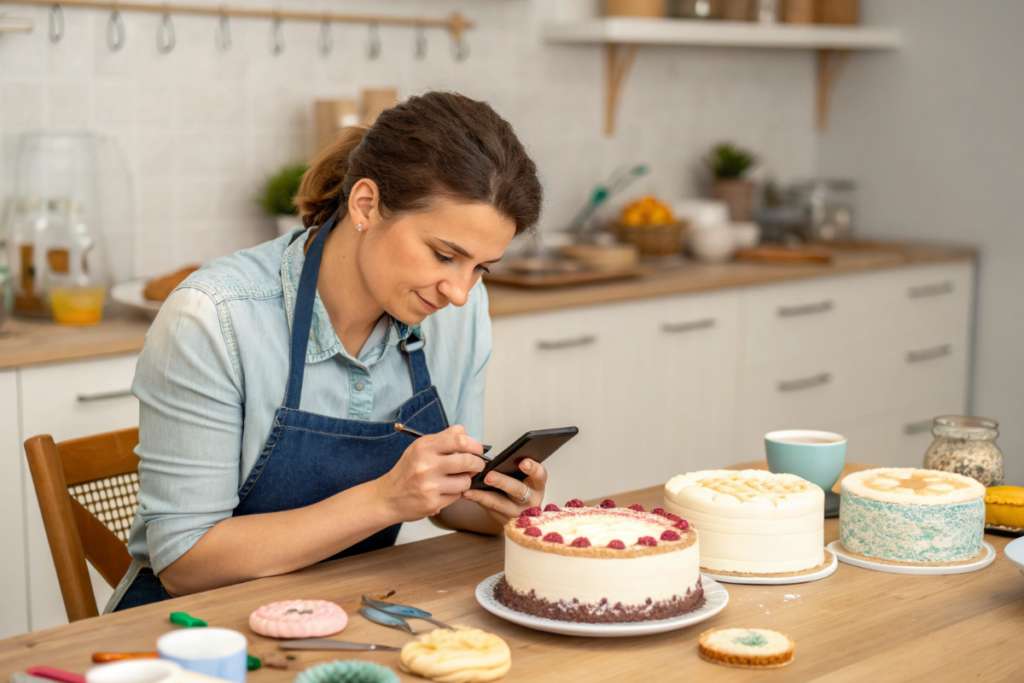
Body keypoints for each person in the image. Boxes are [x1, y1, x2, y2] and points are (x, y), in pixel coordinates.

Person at [107, 91, 546, 611]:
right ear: (366, 205)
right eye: (444, 255)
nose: (459, 292)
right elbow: (185, 565)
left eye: (480, 268)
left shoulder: (455, 312)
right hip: (192, 627)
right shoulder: (213, 318)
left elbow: (448, 504)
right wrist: (385, 499)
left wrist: (500, 504)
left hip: (351, 607)